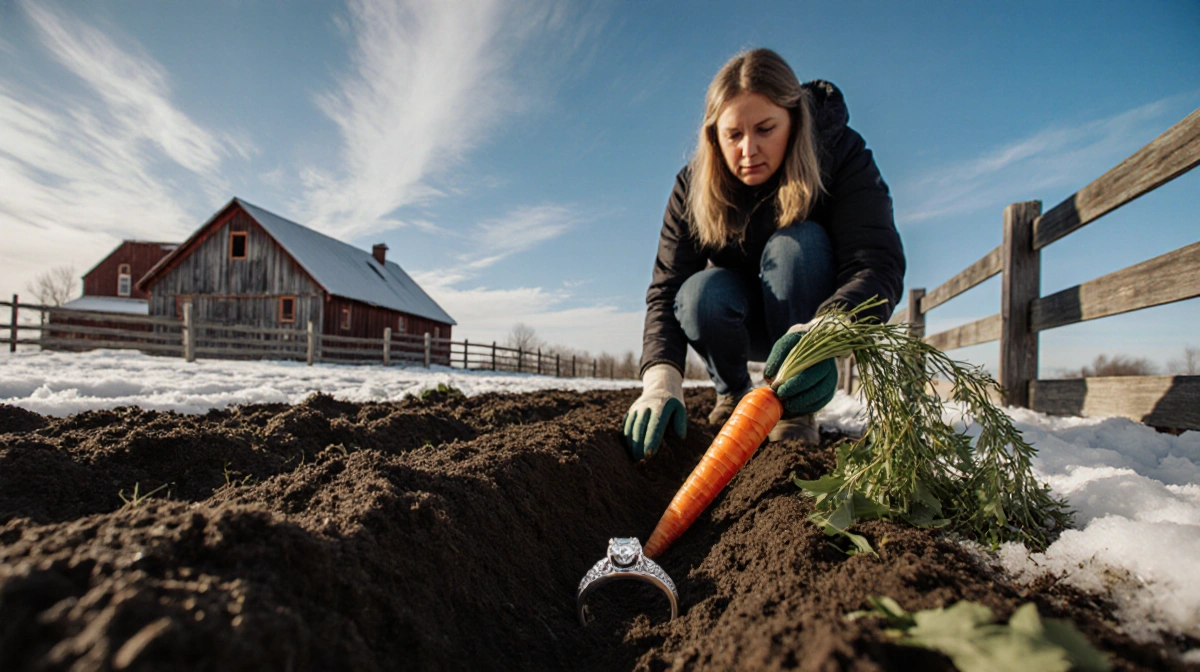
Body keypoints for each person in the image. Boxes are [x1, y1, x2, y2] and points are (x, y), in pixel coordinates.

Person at [623, 48, 905, 461]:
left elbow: (875, 262)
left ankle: (795, 406)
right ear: (713, 135)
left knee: (797, 245)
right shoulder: (692, 184)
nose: (748, 149)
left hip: (805, 318)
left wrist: (828, 330)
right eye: (733, 135)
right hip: (733, 324)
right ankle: (733, 392)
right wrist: (661, 379)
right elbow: (666, 289)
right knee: (700, 291)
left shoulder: (839, 154)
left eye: (765, 129)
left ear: (794, 120)